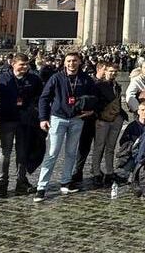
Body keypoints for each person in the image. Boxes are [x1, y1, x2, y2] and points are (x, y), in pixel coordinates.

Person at [34, 52, 99, 202]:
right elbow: (44, 98)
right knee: (52, 153)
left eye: (75, 61)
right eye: (69, 61)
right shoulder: (56, 78)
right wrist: (43, 118)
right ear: (64, 63)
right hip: (58, 118)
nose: (72, 64)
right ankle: (41, 187)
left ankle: (66, 182)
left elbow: (95, 97)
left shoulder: (85, 79)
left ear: (80, 62)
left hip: (77, 119)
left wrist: (91, 110)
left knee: (71, 152)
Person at [0, 53, 43, 197]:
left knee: (22, 152)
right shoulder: (2, 79)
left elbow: (40, 97)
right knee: (5, 152)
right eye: (22, 64)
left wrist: (35, 112)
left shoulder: (34, 79)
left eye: (27, 64)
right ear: (13, 64)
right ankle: (2, 183)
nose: (25, 67)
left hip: (25, 120)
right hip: (7, 119)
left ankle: (21, 181)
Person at [90, 62, 126, 188]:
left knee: (111, 147)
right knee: (99, 146)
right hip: (102, 119)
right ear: (105, 71)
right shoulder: (98, 85)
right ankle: (96, 172)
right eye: (110, 71)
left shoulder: (117, 86)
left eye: (115, 71)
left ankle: (109, 172)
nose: (113, 73)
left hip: (115, 118)